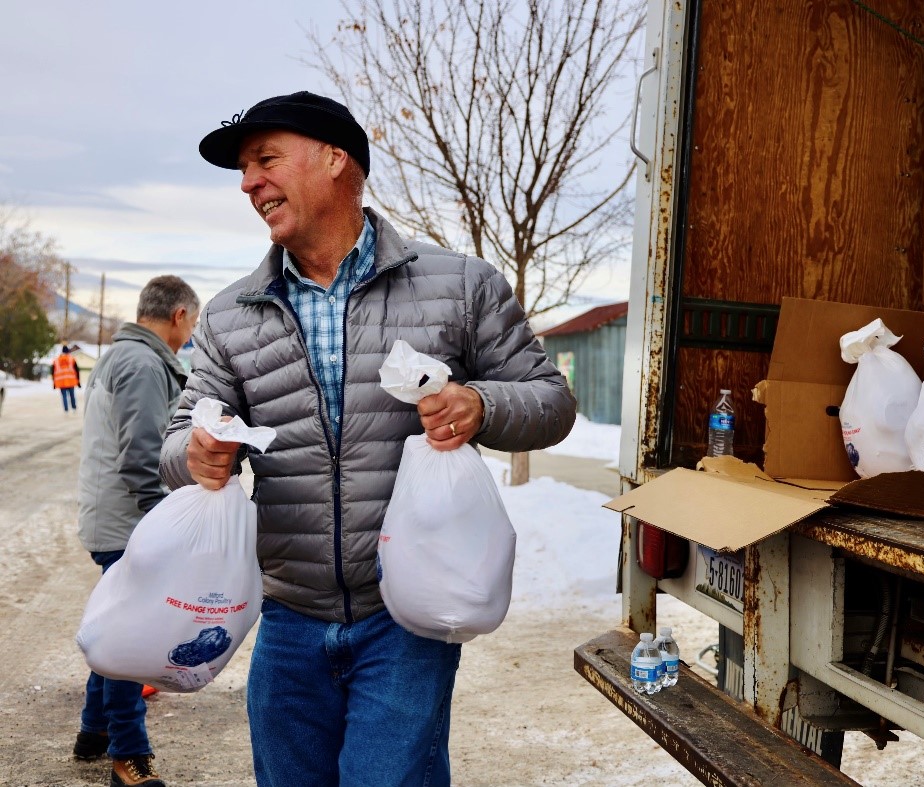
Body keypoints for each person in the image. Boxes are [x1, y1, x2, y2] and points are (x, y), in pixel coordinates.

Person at [159, 91, 576, 787]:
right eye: (243, 170)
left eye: (264, 160)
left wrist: (479, 403)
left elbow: (551, 402)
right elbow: (178, 439)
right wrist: (197, 455)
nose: (248, 183)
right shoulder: (232, 315)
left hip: (405, 617)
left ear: (335, 158)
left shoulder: (461, 286)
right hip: (287, 621)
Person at [75, 275, 200, 787]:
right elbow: (143, 455)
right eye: (192, 321)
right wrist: (163, 522)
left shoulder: (127, 356)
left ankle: (94, 732)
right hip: (130, 521)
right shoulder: (144, 364)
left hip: (117, 517)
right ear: (178, 316)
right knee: (131, 637)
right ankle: (129, 754)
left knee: (115, 627)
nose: (190, 332)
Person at [52, 344, 81, 412]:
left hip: (61, 382)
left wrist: (54, 383)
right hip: (71, 381)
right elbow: (77, 371)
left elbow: (53, 372)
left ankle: (66, 409)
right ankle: (74, 408)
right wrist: (78, 381)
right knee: (72, 395)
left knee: (64, 396)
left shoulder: (56, 360)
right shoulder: (72, 359)